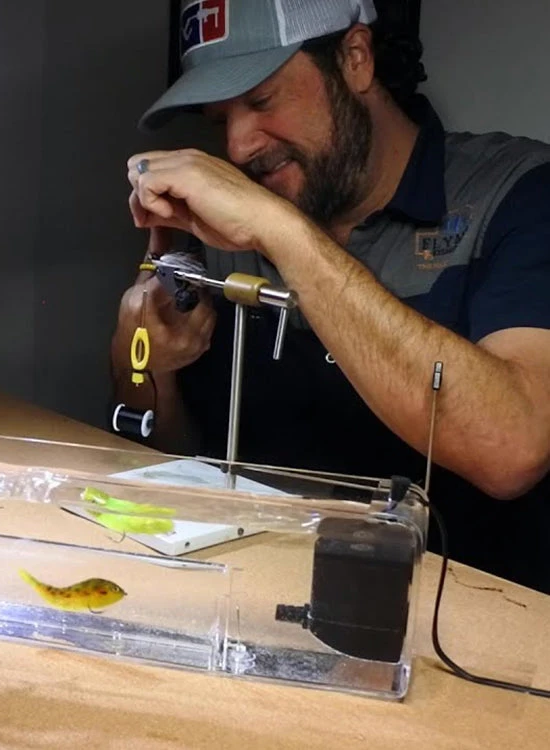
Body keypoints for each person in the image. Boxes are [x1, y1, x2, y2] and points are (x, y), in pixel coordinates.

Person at [111, 1, 550, 594]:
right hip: (248, 594)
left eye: (262, 100)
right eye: (221, 120)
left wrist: (281, 232)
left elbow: (512, 449)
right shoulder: (230, 219)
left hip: (459, 617)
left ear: (356, 58)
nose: (238, 148)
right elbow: (183, 463)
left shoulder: (518, 194)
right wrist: (144, 364)